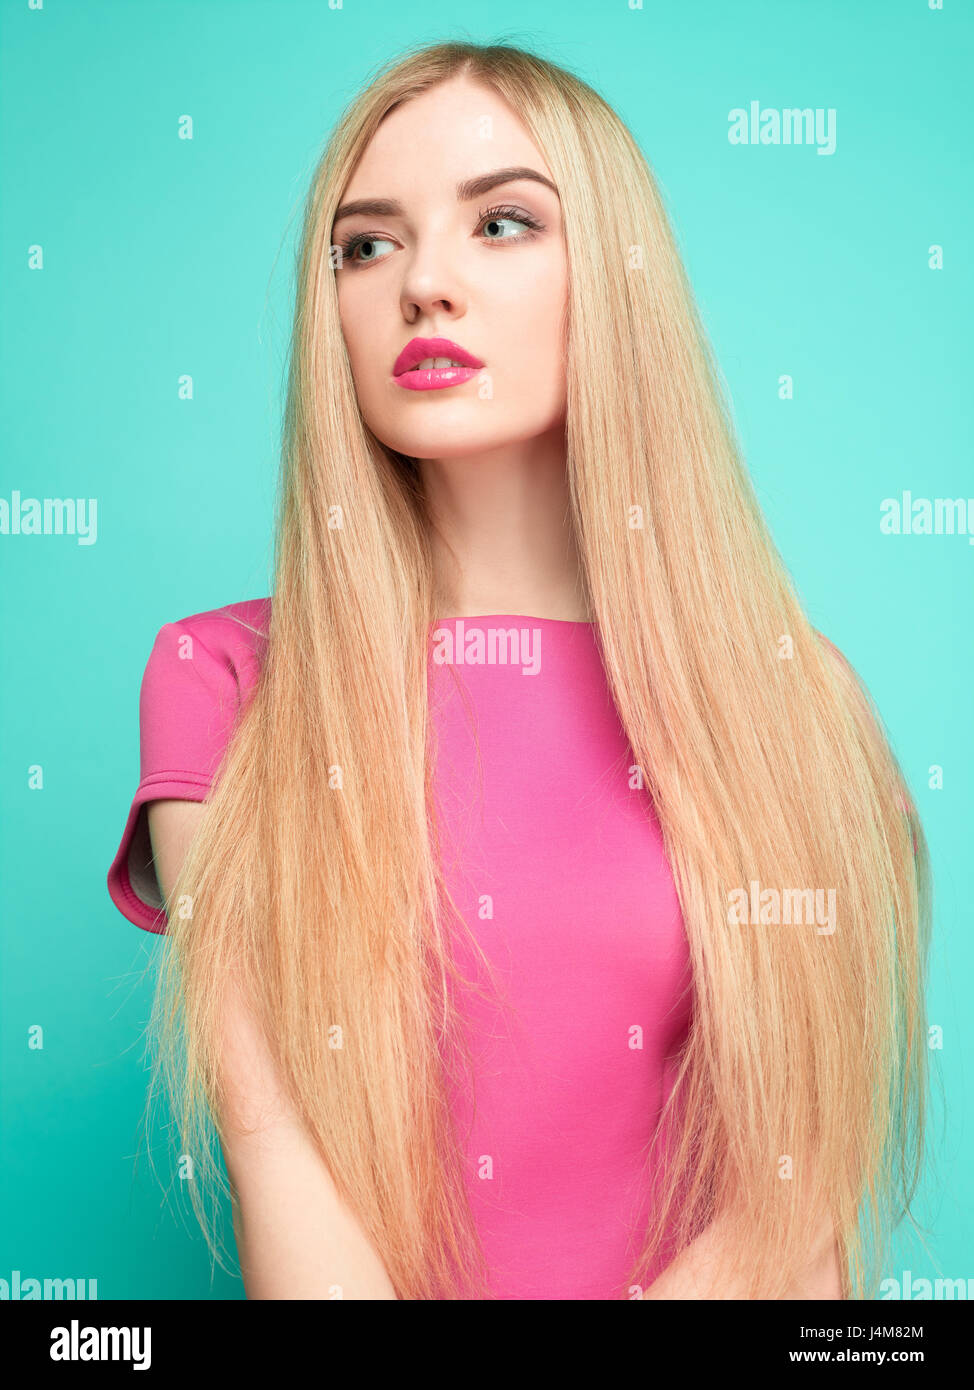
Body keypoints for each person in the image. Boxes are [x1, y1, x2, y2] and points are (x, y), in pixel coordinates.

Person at [106, 39, 930, 1301]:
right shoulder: (222, 682)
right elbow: (281, 1170)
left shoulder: (794, 698)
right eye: (366, 245)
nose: (423, 283)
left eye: (500, 223)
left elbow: (795, 1220)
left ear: (616, 274)